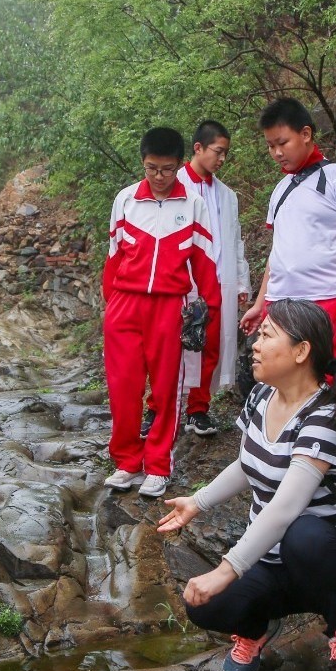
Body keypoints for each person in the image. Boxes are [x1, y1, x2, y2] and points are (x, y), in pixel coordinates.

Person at [158, 298, 336, 671]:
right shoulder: (262, 396)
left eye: (266, 336)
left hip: (332, 562)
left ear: (301, 351)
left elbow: (284, 509)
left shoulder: (325, 417)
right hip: (272, 561)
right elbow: (246, 464)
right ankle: (255, 629)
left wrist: (225, 570)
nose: (255, 346)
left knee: (304, 534)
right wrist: (197, 501)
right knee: (202, 605)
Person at [102, 127, 219, 498]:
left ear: (179, 165)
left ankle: (157, 466)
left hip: (170, 306)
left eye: (167, 169)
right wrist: (111, 305)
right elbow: (113, 258)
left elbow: (205, 264)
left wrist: (208, 312)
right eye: (152, 168)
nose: (159, 176)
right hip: (125, 304)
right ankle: (126, 461)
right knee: (123, 387)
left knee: (167, 389)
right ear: (143, 162)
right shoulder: (125, 200)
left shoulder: (193, 205)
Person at [238, 99, 336, 386]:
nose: (276, 152)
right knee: (279, 381)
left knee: (331, 381)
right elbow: (277, 252)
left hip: (326, 298)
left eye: (282, 143)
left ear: (306, 134)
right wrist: (260, 304)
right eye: (270, 146)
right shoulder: (280, 190)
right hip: (279, 302)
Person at [173, 119, 250, 436]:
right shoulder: (175, 186)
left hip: (219, 281)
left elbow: (235, 240)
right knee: (174, 347)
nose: (222, 158)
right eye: (218, 151)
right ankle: (159, 408)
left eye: (225, 153)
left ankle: (198, 409)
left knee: (210, 347)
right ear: (198, 148)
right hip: (184, 281)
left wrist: (241, 280)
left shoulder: (227, 195)